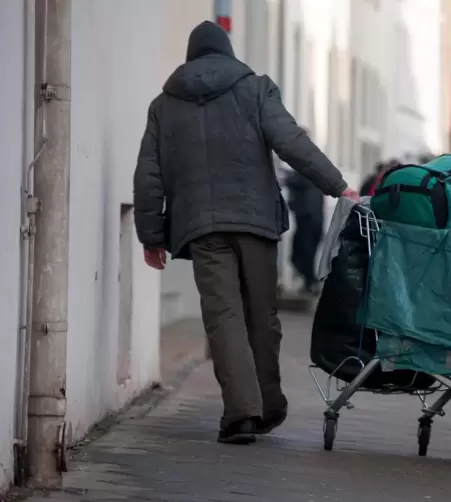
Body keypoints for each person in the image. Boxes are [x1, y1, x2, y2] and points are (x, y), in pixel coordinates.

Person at [133, 21, 359, 446]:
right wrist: (338, 186)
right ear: (228, 52)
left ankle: (242, 414)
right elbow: (291, 142)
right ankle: (267, 405)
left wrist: (152, 235)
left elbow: (149, 175)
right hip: (256, 222)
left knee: (223, 316)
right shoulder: (255, 89)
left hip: (201, 227)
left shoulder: (164, 105)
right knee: (261, 315)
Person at [286, 168, 325, 295]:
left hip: (308, 220)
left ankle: (310, 283)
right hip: (313, 221)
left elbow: (293, 181)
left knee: (303, 255)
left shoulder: (305, 176)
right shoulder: (316, 177)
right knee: (306, 255)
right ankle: (310, 282)